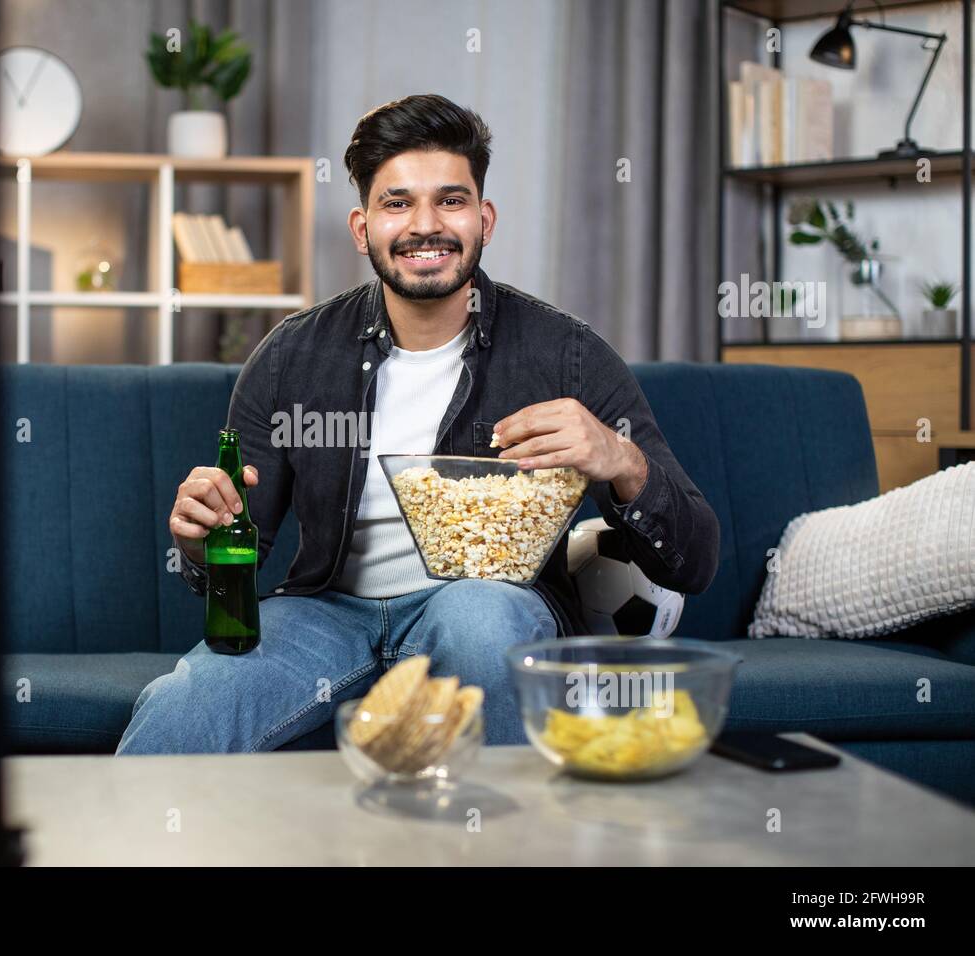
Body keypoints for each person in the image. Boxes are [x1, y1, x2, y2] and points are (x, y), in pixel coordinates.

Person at [117, 93, 719, 754]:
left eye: (451, 200)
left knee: (478, 615)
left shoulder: (566, 355)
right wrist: (203, 536)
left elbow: (695, 559)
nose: (425, 225)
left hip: (485, 604)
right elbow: (237, 551)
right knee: (184, 706)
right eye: (397, 202)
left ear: (485, 219)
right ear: (362, 227)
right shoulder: (291, 356)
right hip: (325, 612)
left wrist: (622, 459)